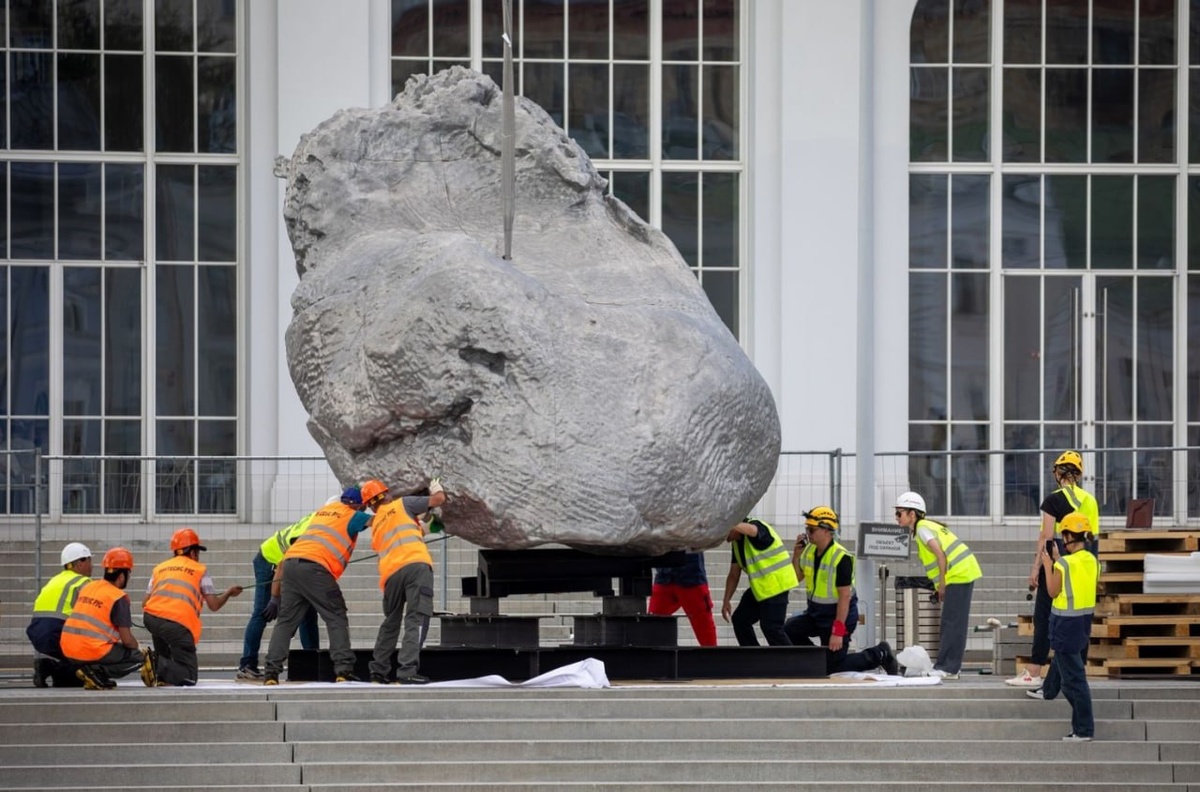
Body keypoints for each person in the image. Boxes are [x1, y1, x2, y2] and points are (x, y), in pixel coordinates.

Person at [1008, 450, 1099, 687]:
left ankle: (1034, 671)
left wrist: (1036, 567)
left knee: (1044, 616)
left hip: (1059, 555)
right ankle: (1075, 672)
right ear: (1078, 475)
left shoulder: (1054, 499)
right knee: (1081, 616)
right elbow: (1093, 537)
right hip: (1086, 560)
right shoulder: (1090, 501)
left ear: (1058, 473)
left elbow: (1046, 536)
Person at [262, 486, 371, 685]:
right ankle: (343, 670)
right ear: (358, 504)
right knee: (336, 615)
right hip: (315, 569)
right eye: (364, 506)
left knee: (286, 622)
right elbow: (380, 521)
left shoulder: (322, 512)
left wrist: (275, 597)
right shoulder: (353, 515)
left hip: (291, 565)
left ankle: (271, 673)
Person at [783, 507, 899, 676]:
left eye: (811, 529)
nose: (807, 533)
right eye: (806, 528)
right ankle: (818, 660)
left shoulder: (841, 557)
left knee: (831, 668)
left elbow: (844, 597)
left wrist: (837, 632)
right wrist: (796, 555)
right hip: (816, 614)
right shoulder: (809, 551)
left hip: (839, 618)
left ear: (826, 530)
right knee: (789, 630)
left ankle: (879, 654)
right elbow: (796, 577)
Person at [364, 477, 447, 684]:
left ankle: (378, 671)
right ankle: (407, 671)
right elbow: (438, 499)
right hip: (416, 567)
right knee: (417, 619)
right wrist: (436, 486)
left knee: (390, 623)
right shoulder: (402, 503)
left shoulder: (376, 524)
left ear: (371, 506)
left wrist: (424, 528)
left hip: (391, 576)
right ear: (387, 494)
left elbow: (404, 532)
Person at [894, 492, 982, 679]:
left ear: (912, 514)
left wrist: (941, 584)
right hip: (961, 572)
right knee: (953, 622)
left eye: (899, 513)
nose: (897, 518)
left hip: (958, 574)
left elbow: (940, 555)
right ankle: (949, 666)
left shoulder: (923, 528)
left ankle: (948, 668)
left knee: (952, 623)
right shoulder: (926, 527)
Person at [1026, 512, 1098, 741]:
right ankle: (1048, 690)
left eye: (1063, 534)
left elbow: (1053, 591)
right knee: (1065, 662)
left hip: (1065, 625)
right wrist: (1057, 562)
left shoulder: (1064, 564)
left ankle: (1083, 729)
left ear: (1067, 536)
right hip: (1083, 624)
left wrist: (1049, 564)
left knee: (1074, 682)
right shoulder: (1092, 561)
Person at [142, 528, 244, 686]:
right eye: (198, 552)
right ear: (192, 552)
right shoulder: (200, 570)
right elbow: (214, 605)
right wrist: (229, 593)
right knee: (189, 676)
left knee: (161, 630)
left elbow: (145, 603)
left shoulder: (159, 568)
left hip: (151, 618)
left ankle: (161, 674)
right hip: (178, 624)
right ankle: (155, 664)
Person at [237, 512, 321, 680]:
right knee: (262, 612)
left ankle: (312, 663)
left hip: (290, 564)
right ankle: (247, 664)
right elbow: (282, 566)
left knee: (307, 613)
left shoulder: (320, 523)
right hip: (269, 559)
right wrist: (275, 598)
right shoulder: (309, 531)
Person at [60, 547, 151, 690]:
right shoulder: (118, 597)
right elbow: (127, 640)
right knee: (137, 657)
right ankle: (97, 674)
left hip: (68, 648)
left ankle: (91, 672)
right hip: (90, 649)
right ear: (122, 576)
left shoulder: (89, 586)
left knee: (110, 648)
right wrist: (139, 649)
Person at [721, 516, 798, 646]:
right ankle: (753, 657)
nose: (722, 537)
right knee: (740, 620)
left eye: (723, 531)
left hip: (777, 586)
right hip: (761, 588)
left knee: (772, 628)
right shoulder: (737, 543)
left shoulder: (757, 527)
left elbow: (753, 530)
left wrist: (727, 521)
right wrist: (726, 600)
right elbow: (734, 574)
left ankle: (792, 663)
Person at [26, 542, 92, 687]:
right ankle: (57, 668)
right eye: (88, 560)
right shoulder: (83, 582)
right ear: (80, 563)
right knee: (80, 672)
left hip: (37, 633)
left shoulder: (54, 580)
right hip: (57, 632)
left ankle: (46, 665)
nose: (91, 564)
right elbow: (92, 615)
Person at [648, 552, 717, 647]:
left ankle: (712, 658)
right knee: (652, 625)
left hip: (687, 576)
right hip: (670, 574)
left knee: (705, 630)